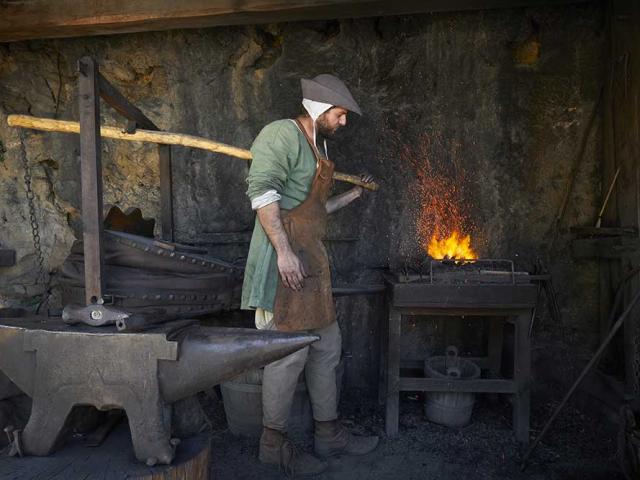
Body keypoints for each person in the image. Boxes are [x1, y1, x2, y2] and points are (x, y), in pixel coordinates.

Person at [241, 74, 379, 476]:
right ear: (320, 110)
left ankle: (329, 434)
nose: (344, 122)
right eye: (340, 114)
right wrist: (284, 253)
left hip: (313, 264)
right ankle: (273, 444)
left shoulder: (317, 146)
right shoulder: (280, 135)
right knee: (286, 357)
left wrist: (352, 195)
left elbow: (313, 212)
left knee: (327, 348)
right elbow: (262, 194)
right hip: (282, 264)